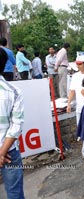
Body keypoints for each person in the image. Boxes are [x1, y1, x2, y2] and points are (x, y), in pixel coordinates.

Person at [0, 47, 25, 199]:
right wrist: (2, 152)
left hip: (6, 152)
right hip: (9, 151)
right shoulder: (14, 91)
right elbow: (17, 126)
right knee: (15, 194)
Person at [67, 55, 84, 159]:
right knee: (82, 131)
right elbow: (72, 91)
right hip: (80, 107)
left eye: (80, 64)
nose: (78, 65)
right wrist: (69, 104)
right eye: (77, 63)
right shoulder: (75, 76)